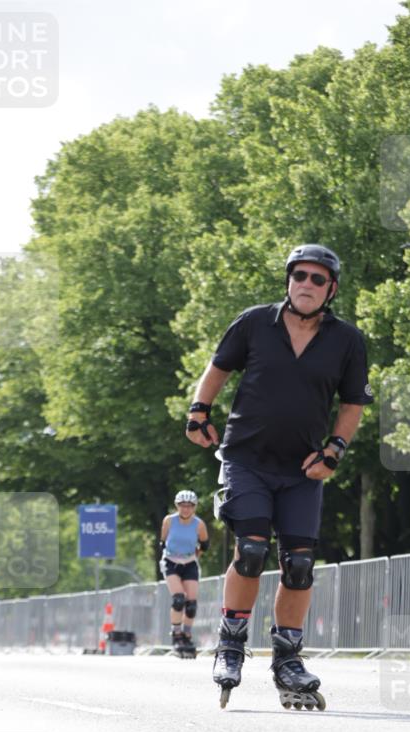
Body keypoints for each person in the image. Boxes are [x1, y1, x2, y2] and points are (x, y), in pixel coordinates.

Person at [185, 244, 373, 708]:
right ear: (289, 281)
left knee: (300, 564)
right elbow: (218, 368)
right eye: (299, 276)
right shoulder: (254, 322)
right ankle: (231, 645)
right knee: (251, 551)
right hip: (246, 460)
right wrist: (198, 411)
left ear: (331, 289)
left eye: (317, 278)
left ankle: (287, 659)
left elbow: (353, 403)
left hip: (302, 469)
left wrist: (335, 449)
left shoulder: (347, 340)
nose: (306, 284)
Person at [160, 489, 209, 657]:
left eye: (189, 506)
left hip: (189, 563)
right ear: (177, 506)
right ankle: (176, 634)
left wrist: (193, 556)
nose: (186, 509)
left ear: (194, 507)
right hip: (170, 562)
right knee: (179, 599)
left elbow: (204, 545)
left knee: (191, 605)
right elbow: (162, 542)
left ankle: (186, 634)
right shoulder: (169, 521)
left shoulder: (199, 524)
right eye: (182, 505)